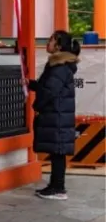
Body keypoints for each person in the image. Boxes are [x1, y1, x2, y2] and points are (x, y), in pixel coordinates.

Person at [27, 30, 80, 200]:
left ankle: (58, 188)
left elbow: (49, 91)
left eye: (50, 40)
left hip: (56, 115)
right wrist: (32, 85)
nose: (47, 43)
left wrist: (37, 105)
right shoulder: (61, 65)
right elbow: (47, 87)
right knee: (57, 153)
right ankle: (55, 185)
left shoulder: (59, 67)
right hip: (58, 114)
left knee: (57, 153)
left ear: (58, 45)